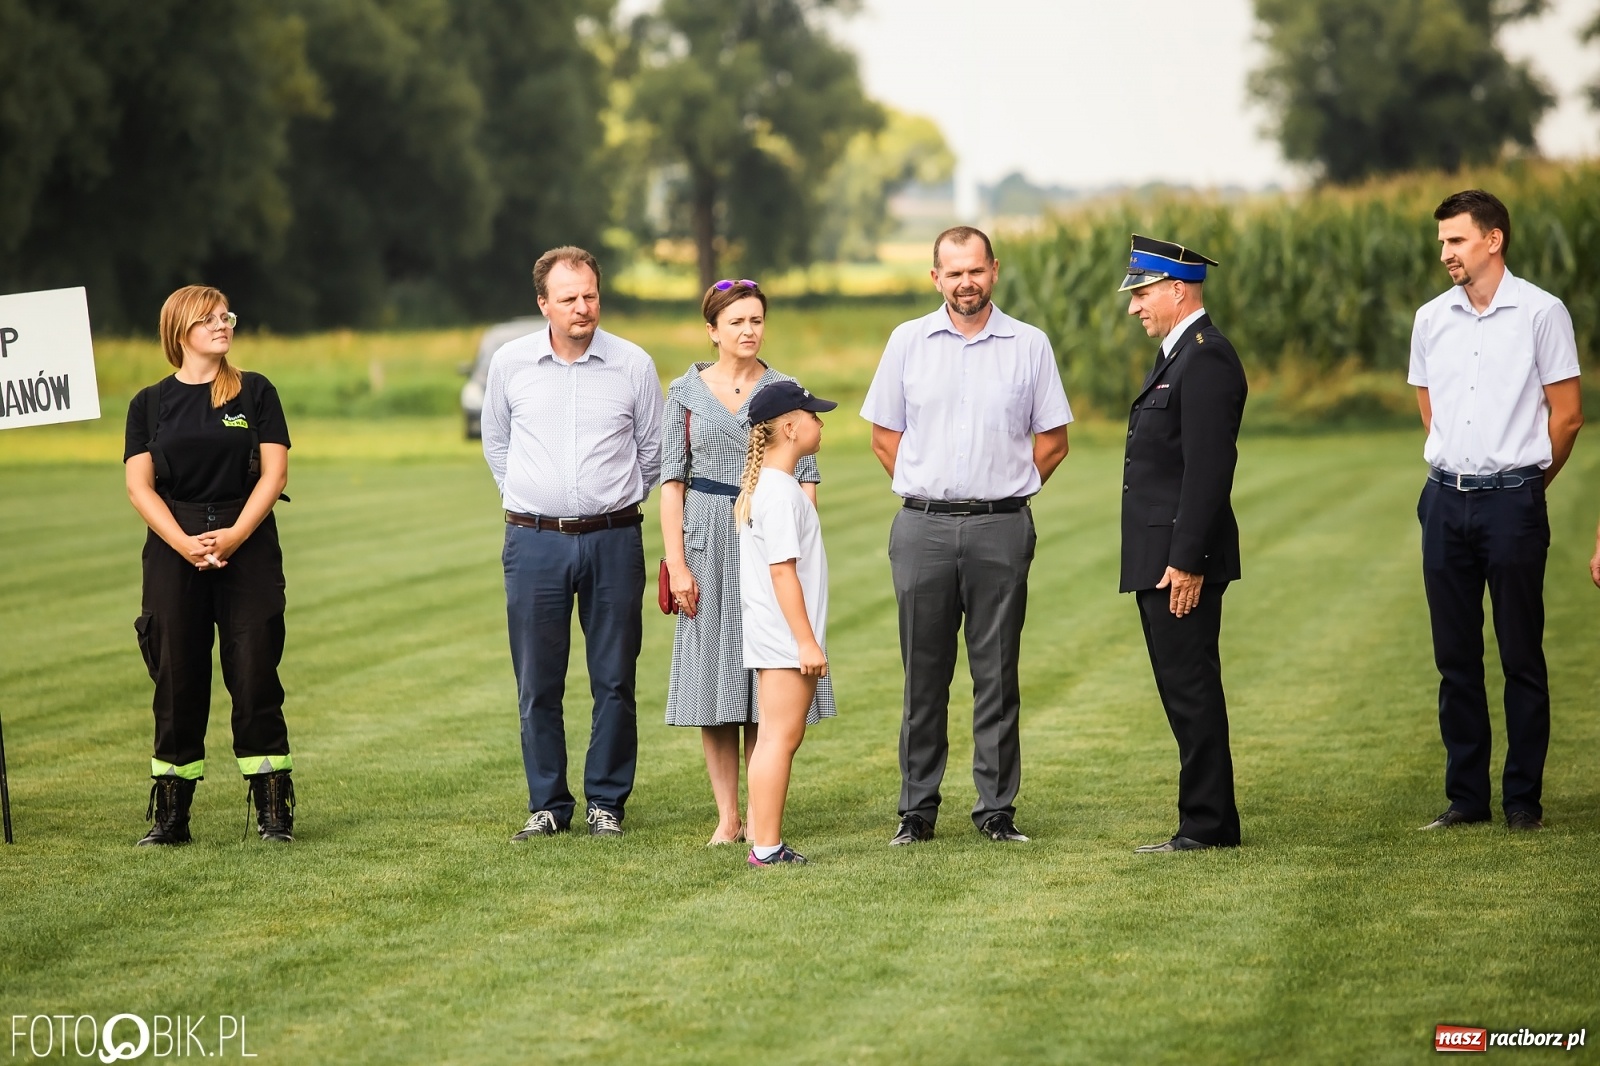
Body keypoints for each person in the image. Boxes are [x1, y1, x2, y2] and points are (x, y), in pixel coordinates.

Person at [860, 226, 1072, 847]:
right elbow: (882, 436)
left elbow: (1054, 440)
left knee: (997, 674)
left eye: (975, 271)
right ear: (935, 277)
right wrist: (926, 487)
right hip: (921, 527)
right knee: (922, 676)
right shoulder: (907, 342)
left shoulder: (1028, 345)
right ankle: (916, 811)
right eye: (953, 273)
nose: (965, 283)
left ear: (994, 271)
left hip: (1001, 528)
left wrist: (1009, 487)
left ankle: (996, 811)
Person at [1409, 190, 1583, 834]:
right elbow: (1430, 407)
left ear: (1493, 239)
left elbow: (1566, 416)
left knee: (1520, 655)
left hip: (1515, 499)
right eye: (1442, 243)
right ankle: (1466, 799)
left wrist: (1529, 484)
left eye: (1456, 241)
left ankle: (1522, 801)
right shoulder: (1431, 319)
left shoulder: (1542, 313)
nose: (1446, 253)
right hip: (1444, 499)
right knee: (1454, 659)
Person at [482, 246, 663, 841]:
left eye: (590, 295)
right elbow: (498, 445)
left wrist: (606, 500)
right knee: (538, 681)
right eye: (569, 299)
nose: (583, 308)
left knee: (614, 678)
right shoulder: (511, 364)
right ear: (544, 304)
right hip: (534, 542)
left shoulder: (632, 364)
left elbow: (652, 451)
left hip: (614, 541)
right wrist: (538, 501)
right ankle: (548, 805)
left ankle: (606, 801)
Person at [659, 280, 832, 846]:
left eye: (756, 320)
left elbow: (805, 481)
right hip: (708, 535)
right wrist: (677, 564)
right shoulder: (684, 392)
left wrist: (802, 555)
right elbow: (671, 483)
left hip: (767, 533)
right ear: (713, 330)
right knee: (714, 683)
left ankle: (762, 817)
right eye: (736, 322)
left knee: (768, 673)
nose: (748, 330)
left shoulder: (784, 391)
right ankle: (727, 816)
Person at [124, 285, 295, 845]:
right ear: (181, 330)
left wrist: (233, 536)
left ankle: (274, 813)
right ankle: (172, 818)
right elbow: (139, 487)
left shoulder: (256, 392)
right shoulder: (148, 404)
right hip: (175, 549)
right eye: (211, 319)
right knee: (176, 678)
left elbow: (274, 475)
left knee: (253, 675)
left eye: (227, 317)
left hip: (247, 541)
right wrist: (184, 543)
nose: (224, 325)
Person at [1118, 235, 1248, 854]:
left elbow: (1208, 470)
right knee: (1184, 688)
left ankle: (1206, 825)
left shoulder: (1205, 357)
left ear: (1177, 289)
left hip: (1179, 561)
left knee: (1190, 688)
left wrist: (1186, 562)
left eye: (1142, 293)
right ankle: (1207, 821)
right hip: (1165, 555)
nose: (1135, 306)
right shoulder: (1181, 355)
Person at [736, 381, 838, 867]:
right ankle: (766, 846)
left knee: (779, 736)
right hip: (782, 640)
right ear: (791, 427)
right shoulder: (778, 494)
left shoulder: (774, 489)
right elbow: (783, 571)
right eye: (814, 415)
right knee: (780, 738)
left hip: (778, 638)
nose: (821, 422)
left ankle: (765, 840)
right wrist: (805, 641)